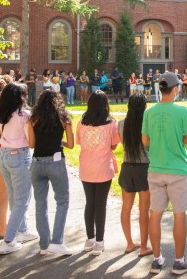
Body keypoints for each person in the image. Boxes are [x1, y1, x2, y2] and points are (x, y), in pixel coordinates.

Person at [142, 72, 187, 275]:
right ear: (175, 89)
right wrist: (178, 138)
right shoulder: (183, 112)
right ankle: (179, 261)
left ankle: (156, 260)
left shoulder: (149, 112)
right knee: (179, 215)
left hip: (156, 169)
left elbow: (145, 141)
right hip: (178, 170)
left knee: (155, 214)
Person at [28, 90, 74, 256]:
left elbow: (31, 144)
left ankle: (44, 244)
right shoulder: (64, 118)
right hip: (55, 162)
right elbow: (70, 144)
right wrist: (58, 140)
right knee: (62, 201)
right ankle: (57, 241)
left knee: (40, 205)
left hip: (37, 162)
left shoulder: (33, 119)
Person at [0, 83, 38, 255]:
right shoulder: (24, 115)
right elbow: (32, 142)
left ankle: (22, 230)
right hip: (18, 155)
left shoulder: (1, 113)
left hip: (3, 155)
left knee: (14, 196)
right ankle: (9, 239)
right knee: (23, 198)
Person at [77, 90, 120, 256]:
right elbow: (114, 145)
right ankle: (99, 241)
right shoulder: (111, 124)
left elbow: (80, 141)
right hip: (103, 167)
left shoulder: (81, 122)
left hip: (86, 167)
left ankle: (90, 238)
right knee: (100, 204)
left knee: (90, 203)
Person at [118, 92, 152, 257]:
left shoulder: (121, 124)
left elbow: (123, 143)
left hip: (126, 168)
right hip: (144, 169)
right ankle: (144, 247)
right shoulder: (147, 124)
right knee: (144, 210)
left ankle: (129, 243)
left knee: (126, 208)